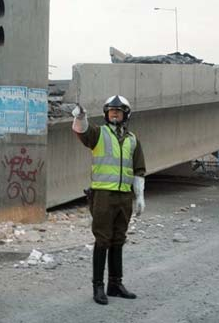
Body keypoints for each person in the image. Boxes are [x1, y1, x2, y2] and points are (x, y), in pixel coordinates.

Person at [71, 95, 146, 305]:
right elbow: (82, 131)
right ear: (106, 113)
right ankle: (98, 286)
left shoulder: (133, 139)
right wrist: (80, 117)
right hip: (103, 195)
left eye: (118, 111)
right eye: (111, 110)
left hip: (124, 196)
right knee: (102, 239)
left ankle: (115, 284)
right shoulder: (99, 133)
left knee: (118, 239)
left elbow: (139, 170)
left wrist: (139, 197)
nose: (114, 113)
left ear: (126, 115)